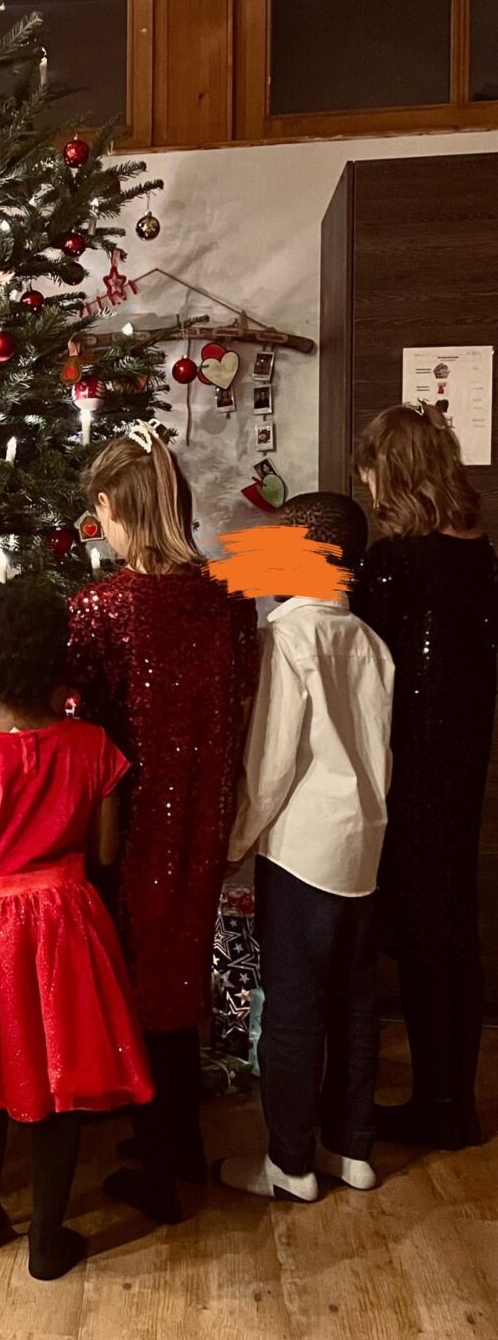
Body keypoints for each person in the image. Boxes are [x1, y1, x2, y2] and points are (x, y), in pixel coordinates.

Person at [0, 582, 151, 1282]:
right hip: (67, 921)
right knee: (61, 1074)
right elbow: (105, 850)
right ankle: (47, 1238)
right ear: (56, 664)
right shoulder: (93, 745)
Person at [67, 422, 258, 1224]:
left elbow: (80, 724)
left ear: (111, 506)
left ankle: (158, 1170)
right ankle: (177, 1141)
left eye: (98, 516)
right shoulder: (227, 601)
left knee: (137, 984)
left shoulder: (99, 608)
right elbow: (243, 702)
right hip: (203, 813)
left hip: (129, 820)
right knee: (176, 975)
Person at [219, 493, 394, 1202]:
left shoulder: (284, 640)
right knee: (355, 1001)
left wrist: (234, 843)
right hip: (363, 849)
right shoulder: (370, 642)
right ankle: (352, 1148)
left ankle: (289, 1165)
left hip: (300, 854)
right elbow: (382, 755)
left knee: (292, 1006)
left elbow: (268, 769)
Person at [352, 403, 498, 1150]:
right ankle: (450, 1100)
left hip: (408, 769)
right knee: (451, 931)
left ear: (394, 473)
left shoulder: (396, 562)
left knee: (418, 936)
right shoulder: (481, 555)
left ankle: (439, 1108)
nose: (366, 482)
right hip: (462, 765)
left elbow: (360, 663)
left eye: (371, 469)